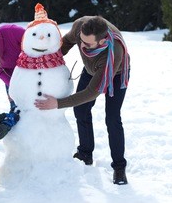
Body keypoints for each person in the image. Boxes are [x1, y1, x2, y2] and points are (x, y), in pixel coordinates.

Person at [34, 16, 130, 185]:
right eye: (82, 41)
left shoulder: (114, 51)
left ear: (101, 42)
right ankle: (85, 153)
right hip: (91, 69)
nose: (83, 46)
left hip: (115, 73)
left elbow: (92, 91)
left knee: (112, 119)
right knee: (81, 110)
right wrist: (50, 61)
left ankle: (119, 167)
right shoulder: (80, 27)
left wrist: (58, 103)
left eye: (88, 44)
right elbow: (66, 43)